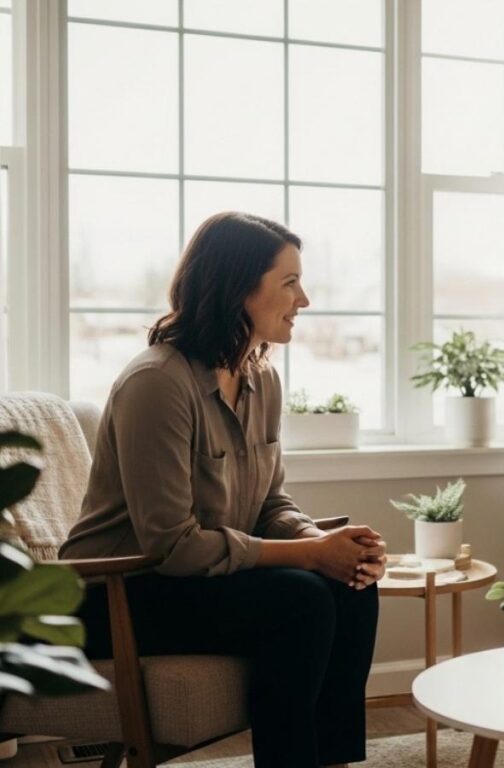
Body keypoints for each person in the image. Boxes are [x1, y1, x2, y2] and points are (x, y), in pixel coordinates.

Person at [61, 212, 385, 768]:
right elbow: (174, 546)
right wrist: (310, 555)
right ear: (239, 289)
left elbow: (270, 503)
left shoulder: (263, 379)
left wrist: (324, 545)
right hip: (112, 593)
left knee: (349, 585)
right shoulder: (157, 384)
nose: (303, 299)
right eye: (289, 283)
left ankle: (331, 761)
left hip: (189, 584)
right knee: (302, 599)